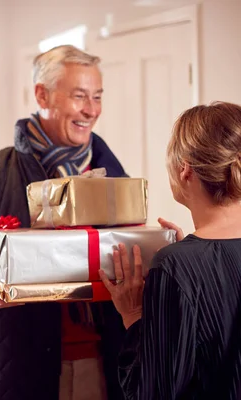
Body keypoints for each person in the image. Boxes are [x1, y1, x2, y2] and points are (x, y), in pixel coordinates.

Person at [0, 45, 129, 400]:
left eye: (97, 97)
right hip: (15, 367)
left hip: (102, 362)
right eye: (79, 96)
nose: (91, 109)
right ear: (42, 94)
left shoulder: (114, 175)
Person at [100, 101, 241, 399]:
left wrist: (134, 315)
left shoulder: (176, 266)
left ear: (185, 170)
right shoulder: (179, 264)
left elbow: (150, 394)